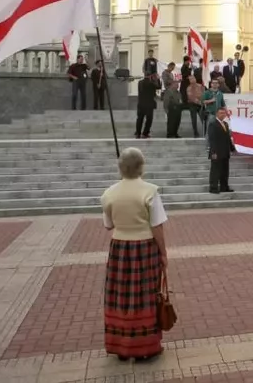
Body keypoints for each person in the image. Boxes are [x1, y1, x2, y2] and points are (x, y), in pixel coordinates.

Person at [100, 147, 168, 362]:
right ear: (141, 167)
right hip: (145, 248)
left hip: (120, 248)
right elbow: (157, 226)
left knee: (120, 296)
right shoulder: (150, 191)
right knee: (144, 295)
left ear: (120, 168)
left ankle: (121, 345)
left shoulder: (108, 193)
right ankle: (144, 347)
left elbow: (108, 225)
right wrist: (163, 253)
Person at [206, 107, 235, 194]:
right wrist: (214, 152)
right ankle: (213, 188)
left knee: (225, 171)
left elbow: (227, 138)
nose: (223, 115)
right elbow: (212, 139)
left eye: (224, 113)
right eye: (221, 113)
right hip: (216, 152)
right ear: (217, 114)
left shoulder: (225, 124)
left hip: (225, 152)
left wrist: (232, 148)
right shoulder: (213, 124)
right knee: (215, 171)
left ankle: (224, 187)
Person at [135, 74, 160, 139]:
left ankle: (138, 133)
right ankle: (145, 133)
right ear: (150, 76)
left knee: (139, 119)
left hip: (141, 103)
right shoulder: (151, 83)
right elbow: (158, 87)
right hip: (149, 104)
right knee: (149, 119)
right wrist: (157, 79)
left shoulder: (140, 82)